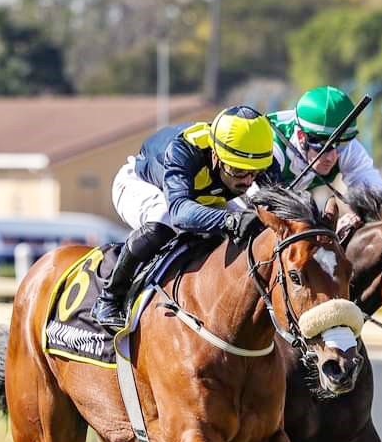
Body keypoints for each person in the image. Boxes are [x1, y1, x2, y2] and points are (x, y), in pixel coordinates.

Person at [91, 105, 278, 326]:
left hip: (203, 196)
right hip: (144, 185)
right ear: (216, 154)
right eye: (238, 171)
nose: (247, 181)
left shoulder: (256, 156)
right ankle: (109, 298)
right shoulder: (183, 150)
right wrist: (229, 220)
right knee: (163, 220)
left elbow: (276, 206)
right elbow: (179, 212)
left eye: (254, 172)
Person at [267, 86, 382, 232]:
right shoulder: (273, 148)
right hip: (241, 203)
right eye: (323, 146)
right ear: (302, 137)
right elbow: (264, 212)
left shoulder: (346, 147)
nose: (332, 156)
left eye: (340, 144)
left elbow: (380, 197)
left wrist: (365, 214)